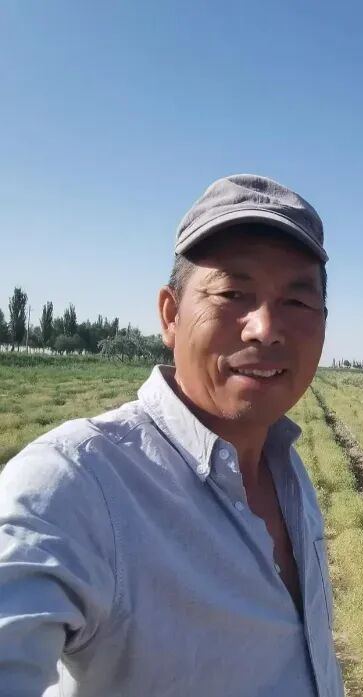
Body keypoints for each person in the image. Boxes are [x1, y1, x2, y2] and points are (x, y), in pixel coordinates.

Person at [0, 174, 344, 697]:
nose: (265, 327)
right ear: (170, 315)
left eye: (296, 302)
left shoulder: (288, 471)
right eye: (233, 292)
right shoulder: (76, 484)